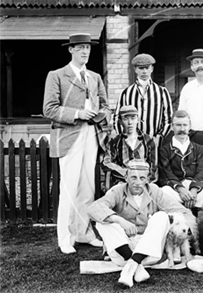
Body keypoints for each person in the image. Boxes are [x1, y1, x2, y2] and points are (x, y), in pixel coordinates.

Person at [43, 33, 111, 254]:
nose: (85, 52)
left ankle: (84, 233)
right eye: (80, 47)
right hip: (69, 136)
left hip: (91, 135)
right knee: (69, 187)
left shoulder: (94, 77)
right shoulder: (57, 76)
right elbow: (49, 109)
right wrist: (79, 113)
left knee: (87, 188)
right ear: (70, 50)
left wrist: (101, 114)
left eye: (88, 48)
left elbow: (105, 105)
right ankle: (65, 237)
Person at [87, 159, 189, 288]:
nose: (138, 183)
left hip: (150, 253)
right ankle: (136, 266)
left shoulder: (154, 191)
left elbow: (182, 211)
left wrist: (176, 230)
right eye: (133, 178)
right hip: (121, 253)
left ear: (148, 179)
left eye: (142, 178)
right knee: (102, 222)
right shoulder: (117, 191)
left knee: (162, 216)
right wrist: (120, 220)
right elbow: (94, 208)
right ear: (126, 178)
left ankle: (131, 267)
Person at [158, 110, 203, 257]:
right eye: (178, 125)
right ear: (172, 127)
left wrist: (194, 191)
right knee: (163, 192)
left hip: (195, 189)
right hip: (176, 189)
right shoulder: (164, 149)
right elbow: (166, 173)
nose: (181, 129)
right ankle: (172, 242)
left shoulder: (199, 148)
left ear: (190, 126)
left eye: (184, 125)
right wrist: (182, 190)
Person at [114, 53, 173, 149]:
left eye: (147, 68)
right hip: (131, 143)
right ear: (135, 69)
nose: (144, 71)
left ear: (152, 69)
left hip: (154, 142)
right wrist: (124, 136)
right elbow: (117, 117)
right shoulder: (126, 92)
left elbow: (168, 119)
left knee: (153, 164)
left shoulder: (161, 91)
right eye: (141, 68)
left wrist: (160, 136)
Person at [102, 105, 156, 184]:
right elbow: (106, 163)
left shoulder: (148, 141)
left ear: (138, 119)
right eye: (125, 119)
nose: (130, 122)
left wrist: (144, 180)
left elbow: (153, 166)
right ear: (120, 121)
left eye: (133, 118)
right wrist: (125, 173)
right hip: (122, 182)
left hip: (143, 182)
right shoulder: (115, 142)